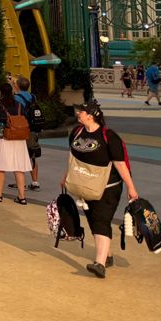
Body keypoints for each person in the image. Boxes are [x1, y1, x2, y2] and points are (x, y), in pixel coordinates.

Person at [65, 101, 140, 278]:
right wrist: (66, 177)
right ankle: (108, 255)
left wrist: (131, 188)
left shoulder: (109, 136)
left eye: (81, 112)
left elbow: (120, 164)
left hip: (108, 186)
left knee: (100, 219)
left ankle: (99, 264)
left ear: (90, 115)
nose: (78, 114)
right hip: (86, 186)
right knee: (93, 221)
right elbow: (72, 158)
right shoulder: (76, 132)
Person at [0, 82, 34, 205]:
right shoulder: (19, 104)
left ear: (0, 92)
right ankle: (22, 197)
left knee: (1, 166)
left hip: (3, 137)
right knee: (19, 167)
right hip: (18, 137)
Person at [13, 76, 41, 192]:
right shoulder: (32, 96)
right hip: (34, 129)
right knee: (32, 155)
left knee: (20, 156)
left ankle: (20, 183)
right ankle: (35, 181)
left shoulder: (16, 98)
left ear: (17, 86)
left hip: (22, 129)